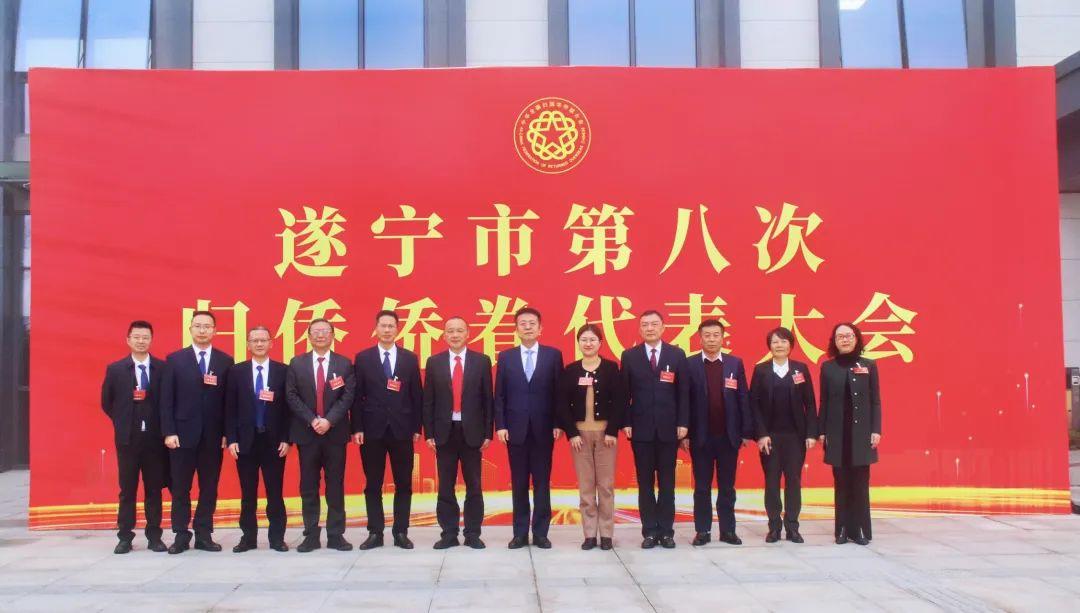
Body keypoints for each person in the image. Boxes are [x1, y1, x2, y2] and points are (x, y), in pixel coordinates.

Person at [160, 310, 233, 554]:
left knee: (209, 487)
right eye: (198, 326)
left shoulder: (225, 361)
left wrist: (227, 432)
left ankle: (204, 534)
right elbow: (166, 400)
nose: (202, 330)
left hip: (213, 437)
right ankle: (181, 534)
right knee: (180, 487)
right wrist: (169, 431)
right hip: (181, 436)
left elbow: (228, 402)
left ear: (215, 331)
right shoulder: (175, 359)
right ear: (190, 329)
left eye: (207, 326)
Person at [352, 310, 423, 550]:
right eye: (382, 325)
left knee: (404, 483)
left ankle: (401, 532)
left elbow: (416, 395)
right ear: (376, 328)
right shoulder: (363, 358)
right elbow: (356, 397)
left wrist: (416, 426)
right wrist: (357, 427)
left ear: (397, 329)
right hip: (371, 430)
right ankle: (375, 532)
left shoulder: (409, 358)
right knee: (373, 484)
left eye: (391, 326)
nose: (386, 330)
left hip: (402, 430)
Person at [494, 307, 564, 549]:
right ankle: (520, 533)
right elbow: (499, 395)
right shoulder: (506, 357)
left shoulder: (553, 356)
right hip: (515, 430)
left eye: (532, 323)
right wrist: (501, 425)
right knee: (519, 483)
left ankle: (541, 533)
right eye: (522, 323)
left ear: (540, 328)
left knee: (542, 483)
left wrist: (557, 423)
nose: (527, 327)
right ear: (516, 329)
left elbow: (559, 394)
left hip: (544, 429)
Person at [423, 316, 493, 550]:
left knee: (474, 485)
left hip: (472, 432)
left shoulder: (481, 361)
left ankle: (472, 534)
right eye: (450, 331)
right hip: (444, 432)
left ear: (468, 334)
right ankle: (449, 533)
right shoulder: (434, 362)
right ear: (444, 335)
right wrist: (429, 433)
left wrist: (488, 433)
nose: (455, 335)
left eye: (459, 331)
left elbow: (488, 399)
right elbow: (428, 400)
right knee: (445, 486)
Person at [286, 318, 356, 552]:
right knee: (308, 485)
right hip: (307, 433)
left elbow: (348, 396)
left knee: (335, 485)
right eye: (315, 331)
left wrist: (328, 420)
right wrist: (312, 419)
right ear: (308, 336)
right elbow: (291, 395)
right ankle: (311, 535)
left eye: (325, 331)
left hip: (334, 434)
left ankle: (336, 535)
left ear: (333, 335)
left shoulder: (344, 364)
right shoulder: (297, 363)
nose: (320, 335)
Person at [681, 319, 752, 547]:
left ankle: (728, 530)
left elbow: (743, 398)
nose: (711, 339)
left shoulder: (734, 363)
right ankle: (702, 530)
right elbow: (684, 401)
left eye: (716, 335)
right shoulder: (689, 364)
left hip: (728, 437)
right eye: (707, 335)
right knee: (702, 487)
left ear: (723, 337)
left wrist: (745, 432)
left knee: (727, 487)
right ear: (700, 338)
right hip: (700, 437)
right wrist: (684, 434)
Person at [620, 310, 686, 549]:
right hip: (641, 430)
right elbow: (624, 393)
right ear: (640, 329)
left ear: (663, 327)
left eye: (654, 324)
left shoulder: (676, 354)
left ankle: (666, 532)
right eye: (645, 325)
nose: (650, 328)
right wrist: (626, 422)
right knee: (645, 484)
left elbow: (683, 393)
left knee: (667, 484)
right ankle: (649, 531)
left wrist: (683, 423)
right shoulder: (630, 356)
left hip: (669, 430)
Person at [100, 320, 168, 554]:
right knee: (127, 490)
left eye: (145, 337)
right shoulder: (116, 369)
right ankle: (125, 537)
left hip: (155, 440)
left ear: (151, 340)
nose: (141, 341)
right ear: (128, 340)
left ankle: (154, 536)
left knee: (154, 490)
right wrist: (124, 420)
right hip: (128, 440)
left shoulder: (162, 368)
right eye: (136, 337)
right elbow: (107, 402)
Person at [556, 324, 626, 551]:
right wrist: (572, 433)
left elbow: (620, 401)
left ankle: (606, 534)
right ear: (578, 343)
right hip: (580, 436)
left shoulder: (611, 368)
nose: (588, 343)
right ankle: (589, 535)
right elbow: (562, 404)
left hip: (606, 436)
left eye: (592, 340)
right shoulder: (571, 370)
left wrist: (613, 430)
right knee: (586, 487)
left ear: (600, 343)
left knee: (605, 486)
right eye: (584, 340)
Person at [224, 326, 290, 553]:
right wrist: (232, 438)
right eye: (255, 340)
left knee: (275, 492)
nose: (259, 344)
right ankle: (248, 538)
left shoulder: (283, 371)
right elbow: (230, 408)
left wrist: (286, 438)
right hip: (245, 442)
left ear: (271, 343)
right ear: (248, 344)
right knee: (248, 493)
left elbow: (288, 409)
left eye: (263, 340)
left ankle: (277, 538)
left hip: (274, 442)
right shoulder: (236, 371)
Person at [750, 326, 818, 544]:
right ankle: (774, 527)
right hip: (769, 438)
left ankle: (792, 527)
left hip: (795, 437)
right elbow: (754, 405)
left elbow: (810, 403)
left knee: (793, 482)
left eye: (783, 341)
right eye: (775, 342)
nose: (779, 345)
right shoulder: (761, 370)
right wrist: (761, 434)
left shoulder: (800, 369)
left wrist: (811, 433)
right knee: (771, 482)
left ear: (791, 345)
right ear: (769, 346)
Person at [818, 323, 882, 546]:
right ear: (834, 342)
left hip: (861, 434)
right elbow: (824, 401)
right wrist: (822, 431)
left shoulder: (868, 365)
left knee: (860, 484)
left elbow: (875, 401)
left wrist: (876, 429)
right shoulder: (828, 367)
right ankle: (842, 529)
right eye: (840, 337)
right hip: (837, 434)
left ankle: (860, 529)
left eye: (849, 336)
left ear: (856, 339)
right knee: (841, 482)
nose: (844, 340)